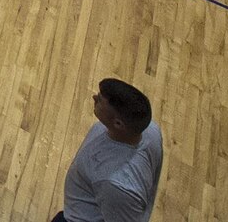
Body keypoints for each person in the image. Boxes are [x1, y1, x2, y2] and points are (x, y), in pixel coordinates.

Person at [53, 78, 162, 222]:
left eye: (99, 100)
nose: (94, 97)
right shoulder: (151, 130)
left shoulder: (116, 186)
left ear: (118, 123)